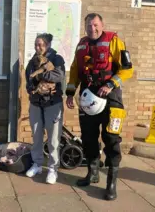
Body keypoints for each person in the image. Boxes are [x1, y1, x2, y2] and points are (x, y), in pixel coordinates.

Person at [65, 13, 134, 201]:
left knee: (111, 139)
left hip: (111, 98)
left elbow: (127, 69)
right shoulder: (82, 45)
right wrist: (70, 93)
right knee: (88, 137)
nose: (92, 28)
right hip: (88, 98)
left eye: (95, 25)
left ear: (102, 25)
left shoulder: (114, 41)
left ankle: (111, 183)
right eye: (88, 25)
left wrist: (111, 84)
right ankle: (92, 173)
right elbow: (75, 71)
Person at [25, 33, 66, 185]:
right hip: (36, 103)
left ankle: (53, 168)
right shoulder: (32, 62)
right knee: (36, 136)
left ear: (48, 45)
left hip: (53, 104)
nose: (38, 47)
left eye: (41, 44)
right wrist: (32, 88)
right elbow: (28, 80)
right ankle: (37, 164)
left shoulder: (57, 59)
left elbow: (59, 75)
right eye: (36, 44)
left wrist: (40, 76)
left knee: (53, 138)